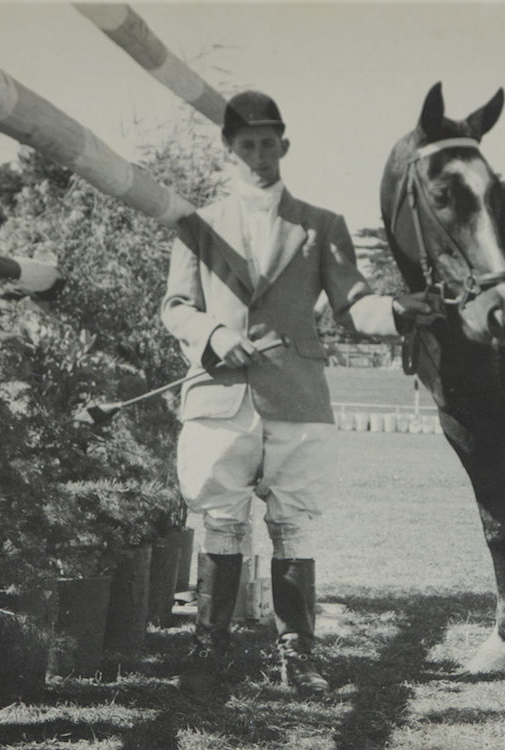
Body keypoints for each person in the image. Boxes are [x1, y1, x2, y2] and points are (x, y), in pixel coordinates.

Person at [161, 90, 438, 699]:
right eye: (246, 144)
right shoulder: (196, 225)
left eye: (268, 143)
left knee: (294, 528)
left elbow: (354, 305)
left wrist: (397, 308)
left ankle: (298, 658)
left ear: (284, 145)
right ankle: (210, 655)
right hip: (219, 396)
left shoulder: (322, 226)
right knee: (221, 523)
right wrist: (213, 333)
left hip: (298, 397)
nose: (258, 154)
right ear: (229, 149)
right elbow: (177, 307)